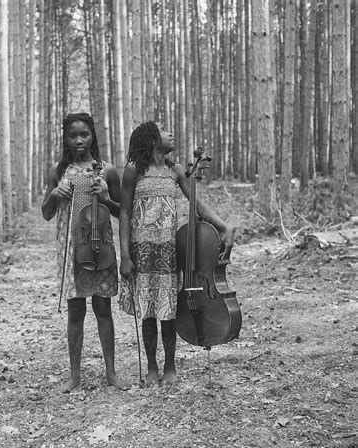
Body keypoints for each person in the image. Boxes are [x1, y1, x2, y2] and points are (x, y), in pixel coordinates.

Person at [119, 121, 235, 386]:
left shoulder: (176, 170)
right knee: (148, 311)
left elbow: (198, 205)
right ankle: (151, 366)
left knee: (168, 310)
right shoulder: (134, 171)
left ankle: (170, 364)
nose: (170, 133)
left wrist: (223, 226)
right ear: (150, 139)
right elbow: (124, 213)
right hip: (142, 252)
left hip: (169, 252)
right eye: (162, 130)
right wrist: (124, 256)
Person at [42, 112, 129, 393]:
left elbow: (121, 211)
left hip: (99, 245)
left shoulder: (108, 170)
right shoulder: (58, 171)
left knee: (103, 308)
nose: (79, 140)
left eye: (84, 134)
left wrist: (105, 197)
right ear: (65, 138)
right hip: (71, 247)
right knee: (75, 311)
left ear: (93, 135)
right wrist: (54, 195)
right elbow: (46, 214)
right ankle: (75, 375)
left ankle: (111, 373)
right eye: (73, 136)